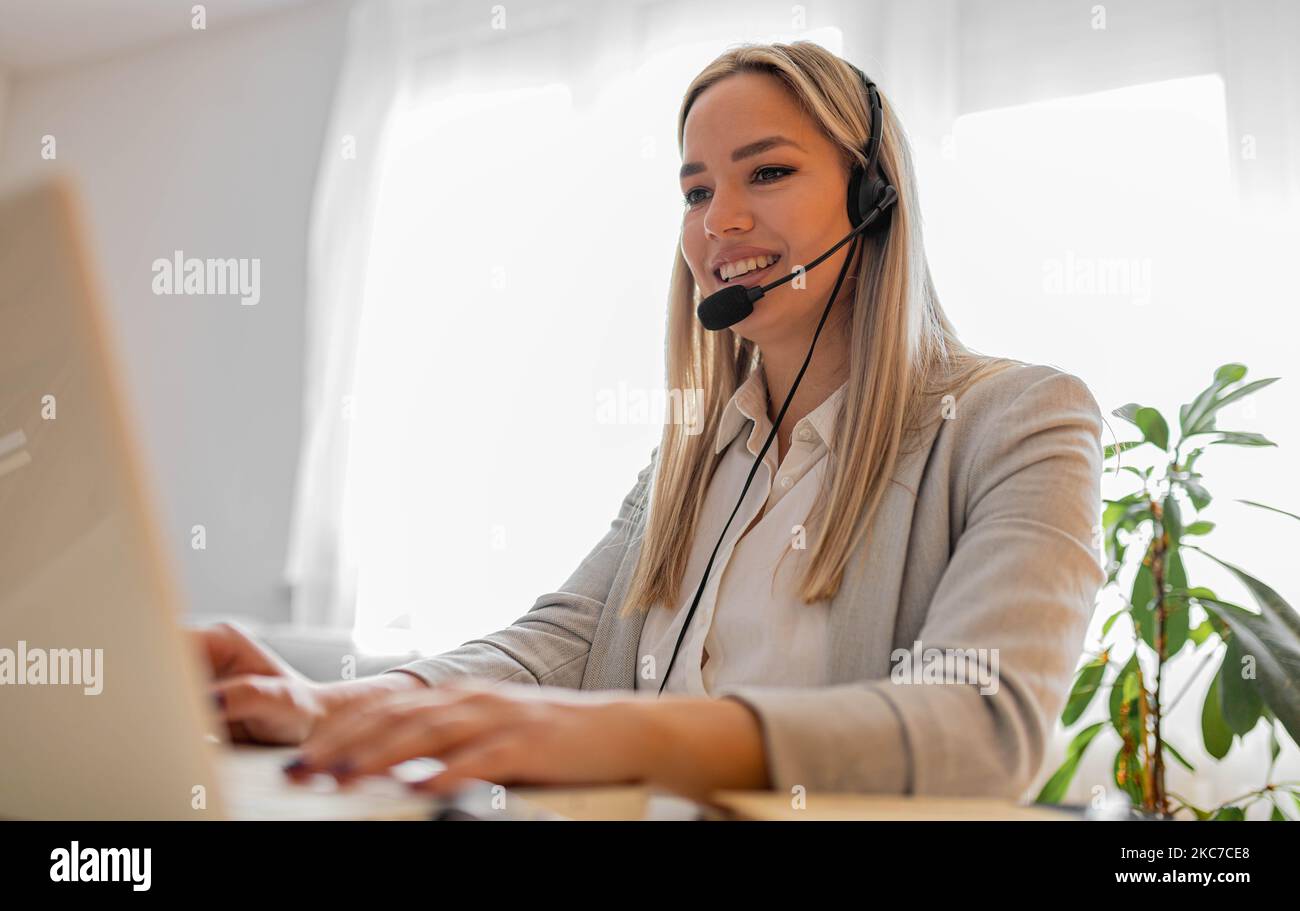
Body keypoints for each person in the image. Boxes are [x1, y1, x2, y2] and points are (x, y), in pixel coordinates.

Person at [195, 41, 1105, 804]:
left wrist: (607, 735)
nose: (722, 220)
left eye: (769, 171)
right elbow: (558, 644)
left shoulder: (1019, 422)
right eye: (697, 189)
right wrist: (337, 705)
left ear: (874, 202)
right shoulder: (694, 454)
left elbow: (982, 725)